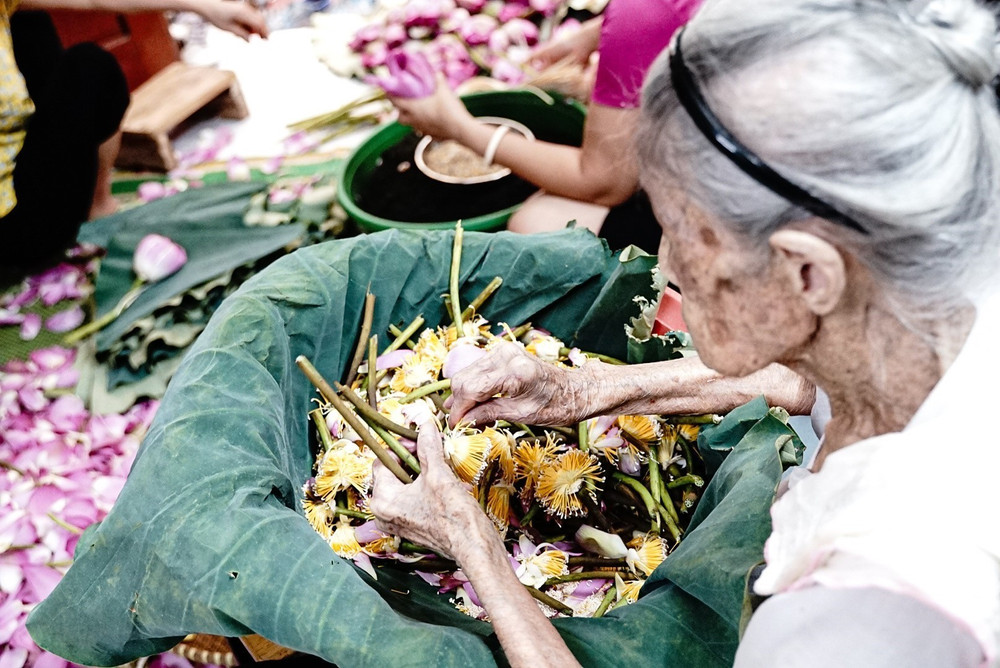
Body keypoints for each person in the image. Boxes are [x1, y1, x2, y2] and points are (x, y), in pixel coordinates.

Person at [370, 0, 1000, 665]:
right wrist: (583, 392)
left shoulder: (864, 616)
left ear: (808, 273)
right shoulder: (931, 301)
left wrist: (472, 544)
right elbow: (817, 381)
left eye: (683, 229)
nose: (665, 262)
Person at [391, 0, 701, 253]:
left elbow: (603, 185)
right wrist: (600, 31)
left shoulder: (646, 10)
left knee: (536, 222)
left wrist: (460, 129)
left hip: (733, 224)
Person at [0, 0, 267, 279]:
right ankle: (58, 231)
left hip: (27, 169)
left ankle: (97, 205)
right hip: (13, 228)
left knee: (29, 22)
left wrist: (205, 6)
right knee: (89, 67)